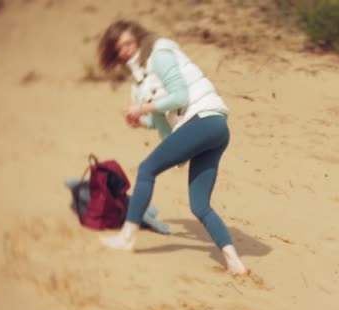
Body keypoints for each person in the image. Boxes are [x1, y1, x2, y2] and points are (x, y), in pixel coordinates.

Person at [96, 20, 248, 275]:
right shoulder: (140, 80)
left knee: (146, 169)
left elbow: (180, 98)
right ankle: (235, 262)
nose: (125, 51)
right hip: (214, 127)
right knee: (200, 206)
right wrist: (139, 121)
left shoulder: (159, 54)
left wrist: (141, 107)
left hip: (203, 121)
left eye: (128, 43)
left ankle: (127, 238)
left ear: (139, 38)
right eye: (118, 48)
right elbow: (161, 119)